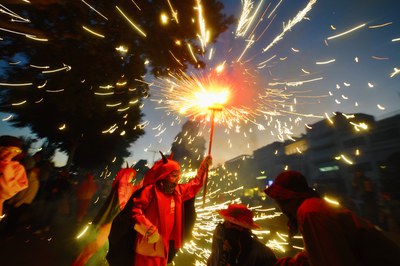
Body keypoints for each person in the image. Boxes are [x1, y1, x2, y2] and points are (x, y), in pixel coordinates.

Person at [264, 170, 400, 266]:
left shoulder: (310, 212)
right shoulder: (314, 205)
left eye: (278, 201)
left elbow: (330, 260)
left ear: (286, 199)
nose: (280, 209)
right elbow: (315, 254)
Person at [130, 152, 212, 266]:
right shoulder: (150, 191)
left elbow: (195, 184)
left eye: (178, 175)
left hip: (165, 245)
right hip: (147, 246)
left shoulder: (178, 191)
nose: (178, 178)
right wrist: (148, 229)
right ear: (164, 175)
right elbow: (135, 212)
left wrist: (203, 167)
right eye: (174, 175)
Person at [72, 165, 139, 266]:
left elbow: (136, 189)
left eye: (133, 176)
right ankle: (80, 262)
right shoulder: (120, 187)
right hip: (109, 220)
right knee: (95, 245)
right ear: (125, 175)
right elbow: (122, 194)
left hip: (115, 221)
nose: (132, 178)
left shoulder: (128, 187)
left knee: (104, 247)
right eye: (130, 175)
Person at [207, 203, 277, 266]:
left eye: (228, 223)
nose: (223, 225)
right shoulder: (219, 247)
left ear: (241, 228)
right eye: (225, 222)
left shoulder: (263, 255)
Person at [0, 135, 28, 219]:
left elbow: (7, 192)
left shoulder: (18, 169)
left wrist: (6, 167)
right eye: (8, 149)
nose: (11, 153)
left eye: (16, 150)